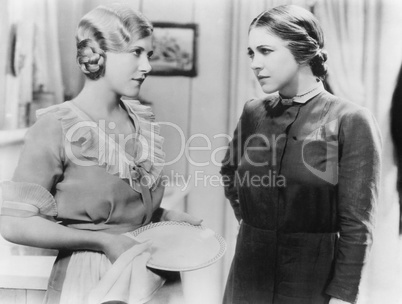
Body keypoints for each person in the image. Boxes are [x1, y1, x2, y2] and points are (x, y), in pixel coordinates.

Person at [0, 4, 201, 304]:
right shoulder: (56, 126)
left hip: (154, 272)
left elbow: (125, 209)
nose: (146, 66)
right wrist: (101, 241)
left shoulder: (141, 120)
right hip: (91, 279)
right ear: (100, 53)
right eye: (136, 53)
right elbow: (14, 223)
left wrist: (167, 217)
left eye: (149, 54)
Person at [220, 5, 381, 304]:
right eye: (251, 53)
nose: (255, 63)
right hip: (248, 273)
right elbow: (229, 170)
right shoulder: (253, 111)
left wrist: (343, 295)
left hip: (312, 280)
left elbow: (357, 223)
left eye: (266, 51)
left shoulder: (351, 119)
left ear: (302, 50)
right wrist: (255, 222)